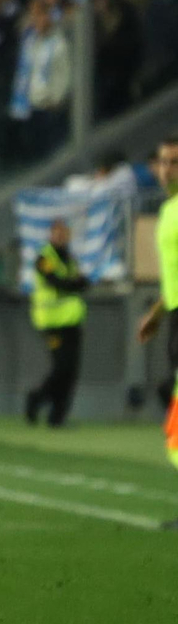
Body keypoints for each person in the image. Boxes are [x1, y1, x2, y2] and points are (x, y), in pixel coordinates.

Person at [136, 136, 178, 475]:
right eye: (163, 162)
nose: (166, 169)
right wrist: (158, 312)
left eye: (174, 162)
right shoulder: (167, 211)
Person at [26, 220, 87, 427]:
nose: (61, 237)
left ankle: (58, 416)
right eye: (57, 233)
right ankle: (36, 399)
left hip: (72, 321)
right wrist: (75, 283)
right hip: (51, 323)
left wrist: (76, 283)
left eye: (64, 233)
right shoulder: (44, 258)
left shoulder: (69, 258)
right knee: (61, 368)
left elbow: (80, 282)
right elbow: (57, 281)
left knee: (71, 371)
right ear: (51, 235)